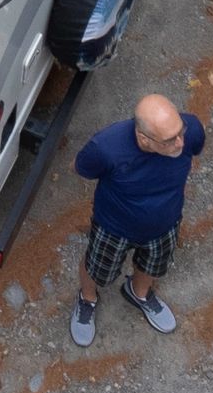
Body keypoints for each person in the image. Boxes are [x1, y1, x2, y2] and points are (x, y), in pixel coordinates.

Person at [68, 92, 205, 346]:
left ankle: (138, 293)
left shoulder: (191, 131)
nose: (180, 144)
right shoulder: (105, 148)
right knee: (96, 268)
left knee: (153, 266)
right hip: (114, 228)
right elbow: (78, 167)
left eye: (180, 132)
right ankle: (87, 298)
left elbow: (190, 145)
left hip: (165, 223)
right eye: (169, 140)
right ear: (144, 139)